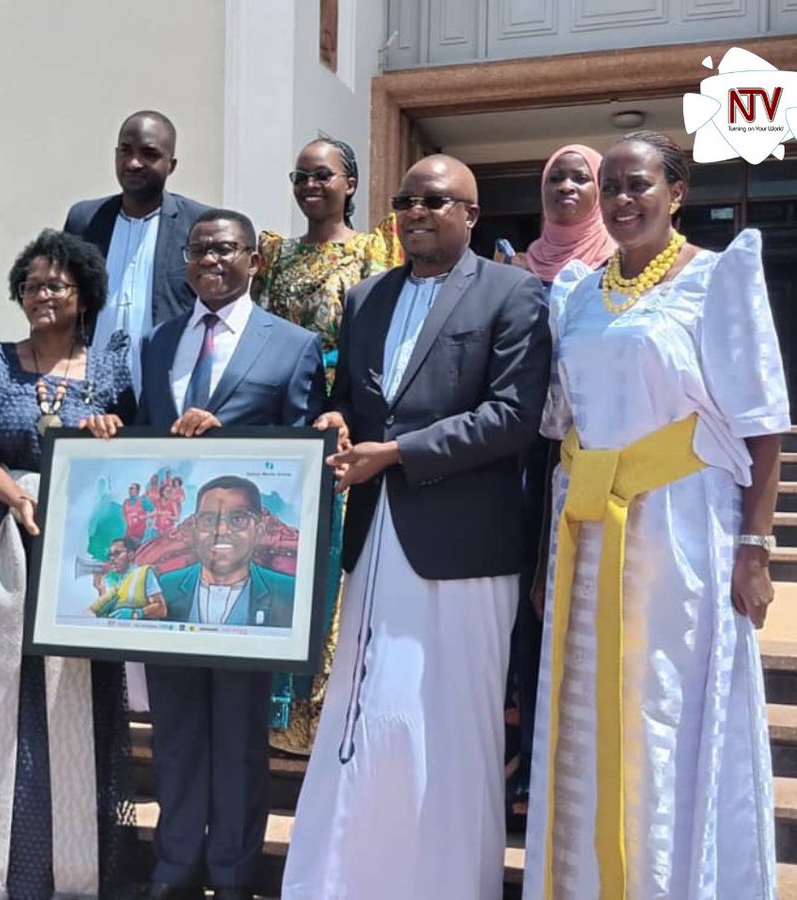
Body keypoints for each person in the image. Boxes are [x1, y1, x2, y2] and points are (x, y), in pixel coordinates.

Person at [522, 132, 789, 900]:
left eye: (637, 185)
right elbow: (564, 433)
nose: (621, 200)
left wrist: (755, 549)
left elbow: (763, 425)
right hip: (588, 536)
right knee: (583, 719)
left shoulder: (716, 279)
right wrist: (547, 554)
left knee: (661, 711)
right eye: (610, 187)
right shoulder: (576, 292)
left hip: (680, 533)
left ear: (676, 193)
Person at [282, 155, 551, 900]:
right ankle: (349, 879)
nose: (416, 211)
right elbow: (348, 402)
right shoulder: (367, 296)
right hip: (376, 538)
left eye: (435, 200)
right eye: (406, 200)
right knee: (365, 714)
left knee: (453, 729)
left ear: (471, 213)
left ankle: (448, 883)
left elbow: (512, 417)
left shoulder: (514, 293)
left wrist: (397, 453)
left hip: (464, 550)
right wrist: (336, 423)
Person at [136, 208, 326, 900]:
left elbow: (307, 449)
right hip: (179, 575)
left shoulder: (293, 345)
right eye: (199, 250)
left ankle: (234, 874)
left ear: (254, 260)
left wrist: (232, 441)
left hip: (253, 580)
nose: (211, 260)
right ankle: (176, 868)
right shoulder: (158, 343)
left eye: (226, 249)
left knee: (242, 742)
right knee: (178, 731)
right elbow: (145, 438)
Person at [0, 230, 136, 899]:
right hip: (8, 535)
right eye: (30, 285)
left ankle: (82, 870)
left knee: (77, 695)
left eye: (55, 284)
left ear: (83, 294)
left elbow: (136, 460)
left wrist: (108, 435)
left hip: (81, 548)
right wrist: (19, 496)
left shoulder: (110, 368)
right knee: (5, 696)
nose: (41, 295)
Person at [250, 136, 404, 754]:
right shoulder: (277, 257)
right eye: (300, 175)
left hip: (340, 423)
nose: (310, 185)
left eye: (323, 175)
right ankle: (274, 709)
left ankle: (323, 711)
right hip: (281, 422)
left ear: (350, 184)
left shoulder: (371, 252)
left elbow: (376, 344)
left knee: (328, 561)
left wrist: (348, 410)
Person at [499, 144, 616, 826]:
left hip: (579, 458)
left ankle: (566, 760)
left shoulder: (616, 266)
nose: (567, 186)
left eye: (582, 177)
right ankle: (520, 752)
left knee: (564, 604)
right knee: (518, 609)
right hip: (512, 458)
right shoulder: (515, 269)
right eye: (555, 177)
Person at [64, 109, 211, 395]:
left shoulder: (198, 225)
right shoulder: (84, 220)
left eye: (149, 154)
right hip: (90, 395)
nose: (133, 162)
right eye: (125, 151)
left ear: (171, 164)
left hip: (168, 392)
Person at [159, 476, 296, 627]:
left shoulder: (289, 592)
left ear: (258, 531)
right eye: (209, 520)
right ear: (195, 529)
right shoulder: (164, 587)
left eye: (237, 520)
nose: (221, 530)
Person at [91, 536, 168, 620]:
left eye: (117, 553)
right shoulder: (116, 583)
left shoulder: (143, 573)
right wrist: (101, 590)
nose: (112, 559)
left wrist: (136, 613)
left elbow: (161, 608)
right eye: (110, 555)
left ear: (131, 555)